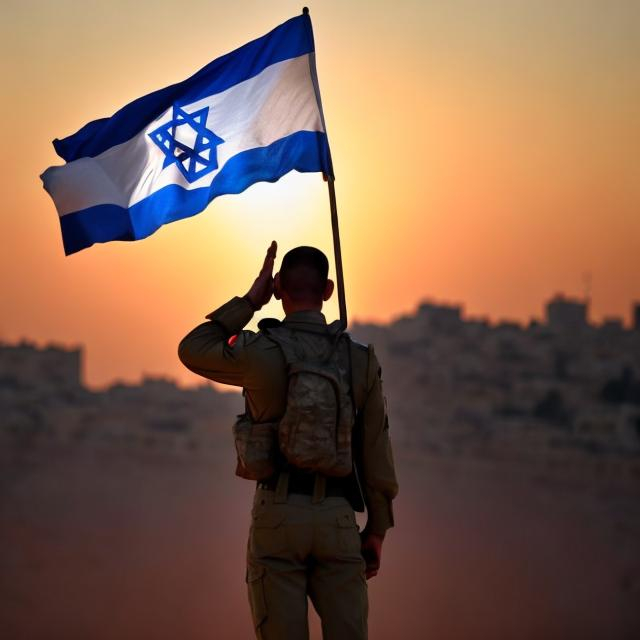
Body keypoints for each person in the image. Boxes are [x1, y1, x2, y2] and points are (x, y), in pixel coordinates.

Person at [178, 241, 398, 640]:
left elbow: (192, 349)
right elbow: (375, 452)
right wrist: (377, 529)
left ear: (279, 288)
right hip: (336, 517)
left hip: (277, 515)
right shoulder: (358, 359)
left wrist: (250, 300)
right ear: (328, 291)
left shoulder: (259, 350)